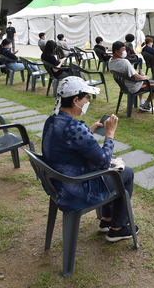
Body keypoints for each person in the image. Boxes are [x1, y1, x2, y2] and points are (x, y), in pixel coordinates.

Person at [41, 76, 138, 242]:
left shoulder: (53, 120)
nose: (88, 101)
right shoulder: (75, 128)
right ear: (76, 100)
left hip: (58, 182)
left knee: (113, 170)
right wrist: (110, 135)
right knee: (126, 173)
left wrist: (89, 130)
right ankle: (118, 227)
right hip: (75, 189)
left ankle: (107, 219)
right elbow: (103, 161)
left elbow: (67, 140)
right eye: (86, 97)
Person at [109, 41, 154, 112]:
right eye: (123, 50)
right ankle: (145, 105)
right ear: (117, 52)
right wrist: (145, 78)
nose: (125, 52)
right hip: (133, 86)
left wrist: (141, 76)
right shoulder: (124, 62)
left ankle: (142, 102)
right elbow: (135, 77)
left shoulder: (110, 61)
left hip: (124, 85)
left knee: (141, 75)